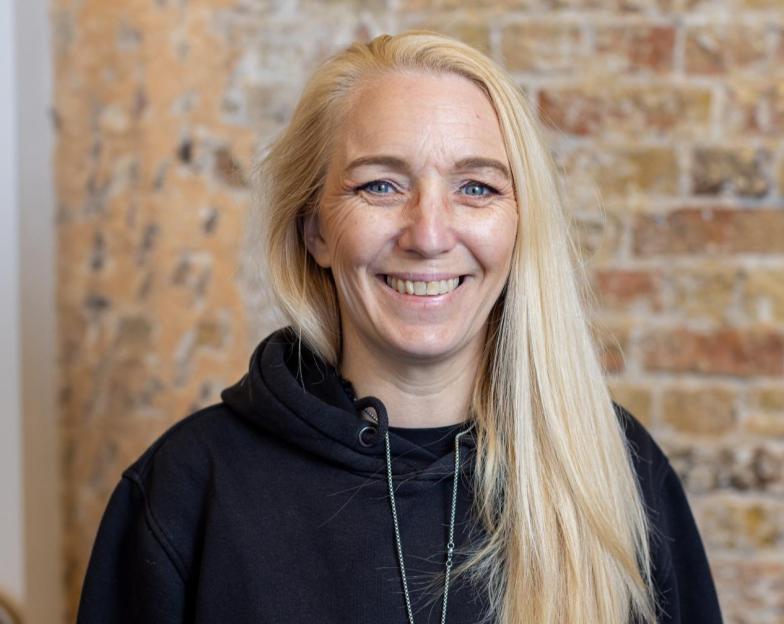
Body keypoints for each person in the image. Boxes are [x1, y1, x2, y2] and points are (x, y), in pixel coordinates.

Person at [76, 31, 723, 624]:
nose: (430, 235)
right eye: (381, 186)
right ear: (316, 230)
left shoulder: (617, 473)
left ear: (521, 224)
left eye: (476, 188)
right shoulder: (187, 490)